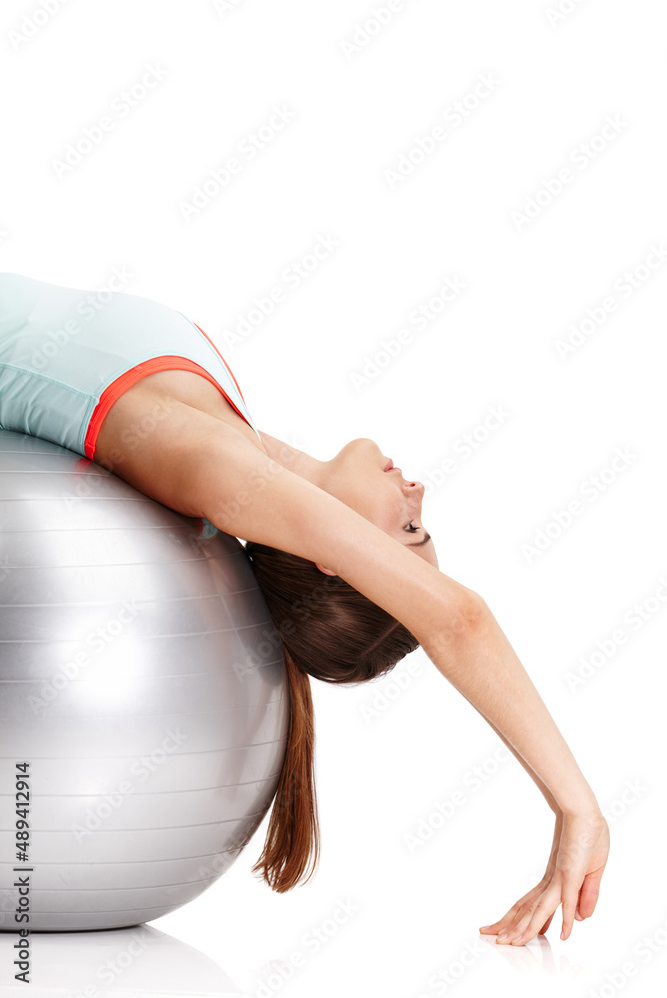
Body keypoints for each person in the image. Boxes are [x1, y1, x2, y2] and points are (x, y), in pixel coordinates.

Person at [0, 271, 609, 947]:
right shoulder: (242, 451)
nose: (417, 492)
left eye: (407, 529)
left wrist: (575, 807)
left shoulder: (221, 472)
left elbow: (457, 619)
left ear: (337, 555)